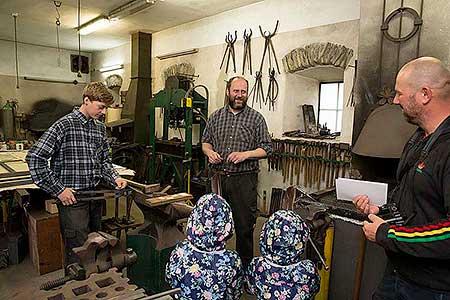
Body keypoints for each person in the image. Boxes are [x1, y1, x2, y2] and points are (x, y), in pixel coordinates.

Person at [353, 57, 450, 299]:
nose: (395, 100)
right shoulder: (419, 138)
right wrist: (383, 210)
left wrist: (389, 234)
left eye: (399, 93)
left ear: (424, 94)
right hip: (400, 270)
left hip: (432, 286)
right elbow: (418, 199)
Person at [26, 82, 127, 272]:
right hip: (73, 200)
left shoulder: (99, 129)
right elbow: (35, 158)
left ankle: (95, 283)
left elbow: (104, 161)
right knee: (78, 250)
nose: (104, 112)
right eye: (101, 107)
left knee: (98, 243)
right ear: (86, 100)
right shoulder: (63, 126)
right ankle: (77, 286)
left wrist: (115, 177)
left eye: (106, 108)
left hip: (94, 197)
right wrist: (59, 190)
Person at [201, 76, 272, 267]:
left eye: (243, 92)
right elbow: (205, 142)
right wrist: (209, 152)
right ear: (228, 92)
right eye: (236, 91)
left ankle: (245, 271)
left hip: (244, 180)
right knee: (212, 224)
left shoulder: (256, 118)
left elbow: (267, 148)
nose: (240, 95)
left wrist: (245, 155)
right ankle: (214, 267)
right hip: (218, 179)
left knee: (244, 228)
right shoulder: (216, 116)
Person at [165, 193, 244, 299]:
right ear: (227, 224)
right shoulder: (232, 260)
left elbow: (170, 280)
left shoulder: (180, 251)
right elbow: (234, 294)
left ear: (195, 218)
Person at [245, 210, 320, 300]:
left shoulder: (257, 265)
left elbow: (251, 288)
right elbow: (314, 290)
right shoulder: (308, 269)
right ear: (301, 237)